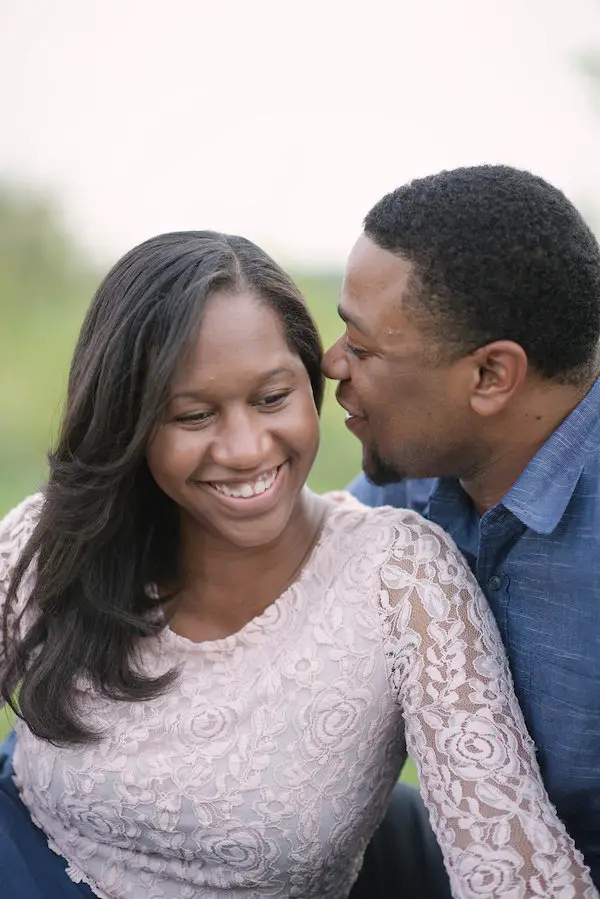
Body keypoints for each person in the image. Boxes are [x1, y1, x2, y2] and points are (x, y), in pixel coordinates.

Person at [0, 231, 596, 899]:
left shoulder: (400, 580)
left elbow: (517, 871)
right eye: (194, 415)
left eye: (272, 398)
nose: (247, 447)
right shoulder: (56, 535)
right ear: (130, 426)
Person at [320, 164, 600, 897]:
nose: (329, 363)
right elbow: (303, 573)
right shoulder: (421, 466)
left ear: (489, 377)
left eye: (363, 346)